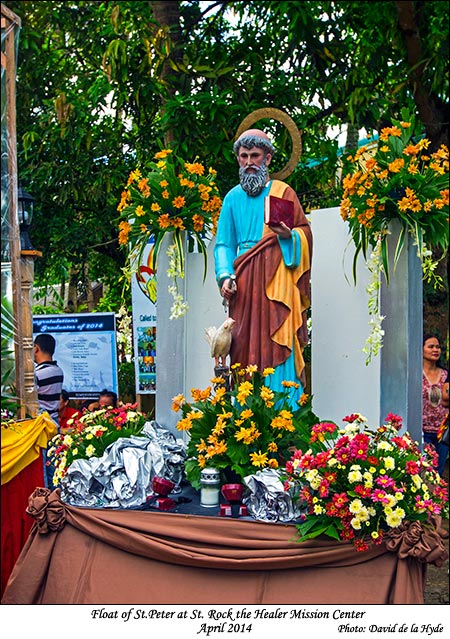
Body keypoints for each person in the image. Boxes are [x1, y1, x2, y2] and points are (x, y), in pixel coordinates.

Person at [214, 128, 312, 403]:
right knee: (244, 345)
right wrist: (224, 276)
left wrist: (287, 236)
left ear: (268, 158)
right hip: (244, 285)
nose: (248, 162)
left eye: (254, 155)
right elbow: (223, 244)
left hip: (278, 280)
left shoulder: (283, 192)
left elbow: (304, 234)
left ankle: (284, 408)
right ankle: (247, 411)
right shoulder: (232, 198)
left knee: (279, 337)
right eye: (243, 156)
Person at [33, 333, 64, 487]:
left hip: (43, 425)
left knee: (45, 467)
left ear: (36, 348)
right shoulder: (58, 371)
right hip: (54, 421)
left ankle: (47, 501)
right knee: (54, 464)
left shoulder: (38, 374)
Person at [422, 333, 449, 476]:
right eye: (431, 346)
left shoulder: (446, 374)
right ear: (421, 349)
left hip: (442, 433)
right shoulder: (415, 373)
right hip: (422, 432)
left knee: (437, 473)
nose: (435, 350)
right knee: (424, 473)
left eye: (438, 347)